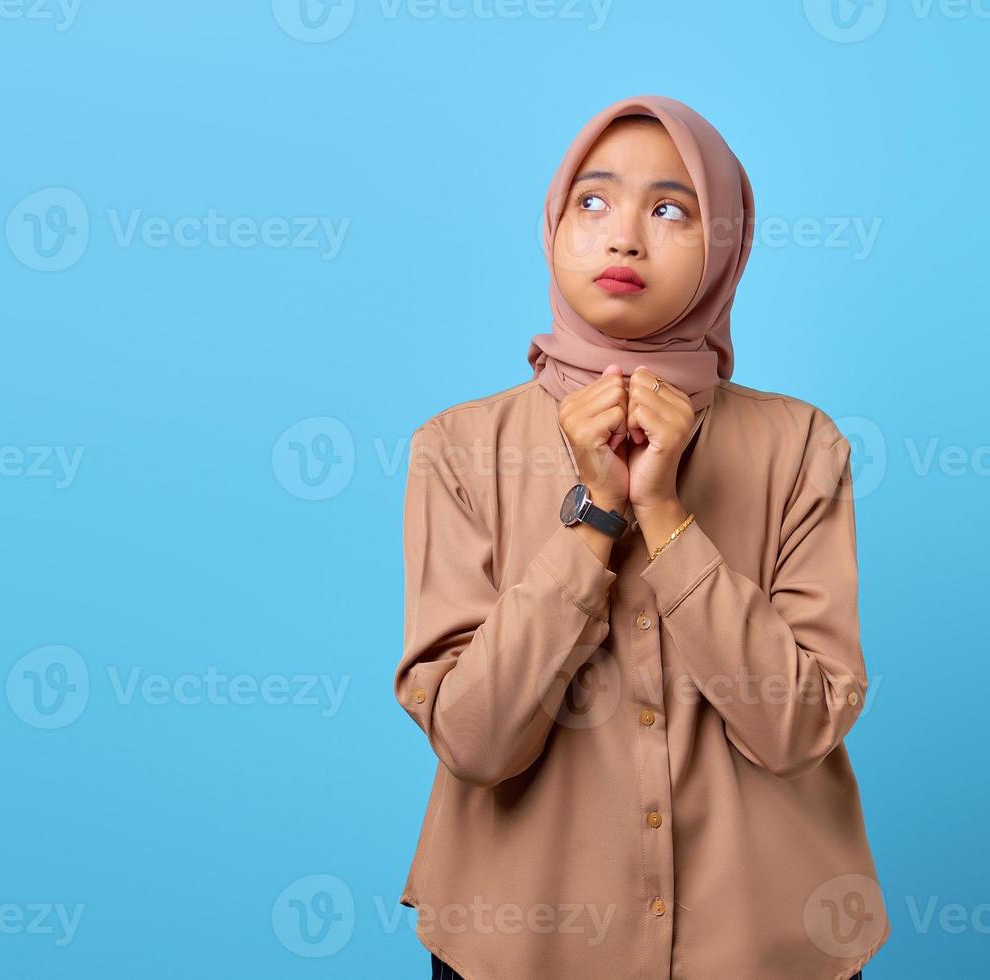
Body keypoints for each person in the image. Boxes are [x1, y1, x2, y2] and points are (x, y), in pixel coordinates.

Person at [395, 94, 886, 980]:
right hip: (517, 949)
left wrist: (664, 516)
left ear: (726, 250)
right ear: (551, 227)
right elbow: (475, 742)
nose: (623, 237)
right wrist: (593, 515)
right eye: (592, 201)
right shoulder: (459, 450)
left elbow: (798, 727)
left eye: (670, 208)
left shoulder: (801, 446)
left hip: (768, 946)